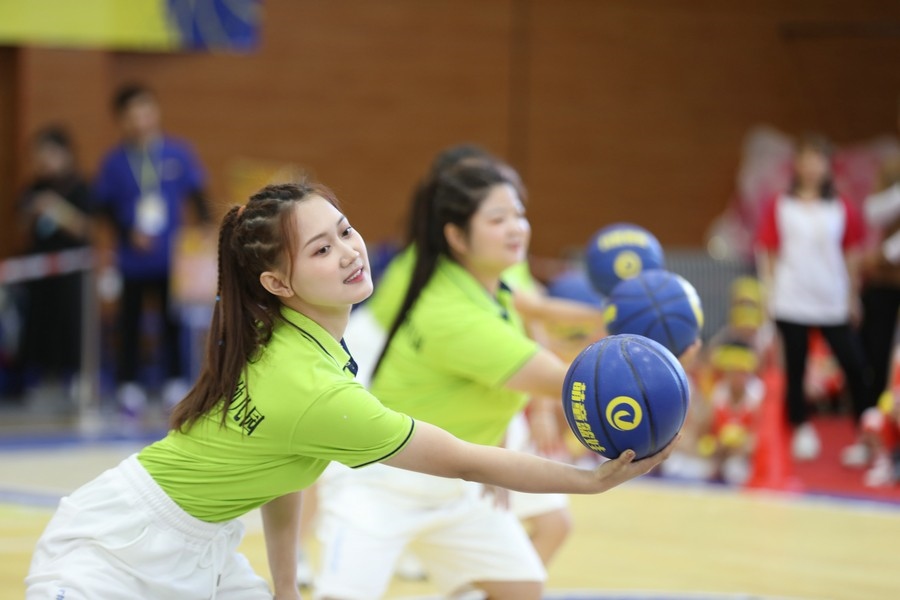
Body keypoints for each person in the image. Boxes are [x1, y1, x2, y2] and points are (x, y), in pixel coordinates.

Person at [25, 182, 676, 600]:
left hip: (200, 548)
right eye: (320, 250)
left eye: (344, 229)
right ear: (278, 284)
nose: (348, 251)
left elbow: (281, 469)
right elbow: (462, 458)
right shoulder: (311, 387)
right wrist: (588, 481)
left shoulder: (292, 339)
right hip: (113, 551)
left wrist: (285, 589)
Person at [313, 163, 651, 600]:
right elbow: (579, 384)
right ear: (457, 237)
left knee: (522, 589)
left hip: (455, 486)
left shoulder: (492, 288)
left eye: (519, 214)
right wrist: (662, 352)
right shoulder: (453, 313)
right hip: (379, 485)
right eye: (498, 219)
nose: (516, 228)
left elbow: (535, 337)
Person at [93, 83, 212, 417]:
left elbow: (197, 195)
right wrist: (128, 231)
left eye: (145, 111)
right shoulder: (114, 162)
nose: (140, 120)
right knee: (128, 321)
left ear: (156, 111)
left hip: (171, 257)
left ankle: (175, 380)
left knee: (172, 321)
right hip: (132, 260)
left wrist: (204, 230)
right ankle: (128, 385)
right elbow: (103, 206)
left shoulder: (178, 152)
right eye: (131, 115)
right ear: (121, 120)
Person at [755, 133, 872, 462]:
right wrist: (769, 293)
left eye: (817, 160)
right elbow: (768, 251)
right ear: (797, 164)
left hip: (832, 298)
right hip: (792, 297)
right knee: (795, 367)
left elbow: (851, 252)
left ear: (827, 165)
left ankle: (867, 434)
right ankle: (801, 427)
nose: (811, 167)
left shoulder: (840, 206)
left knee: (855, 366)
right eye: (805, 159)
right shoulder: (781, 204)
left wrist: (852, 295)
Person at [16, 125, 92, 397]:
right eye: (39, 154)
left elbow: (86, 228)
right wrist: (34, 211)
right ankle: (40, 378)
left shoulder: (79, 187)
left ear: (66, 154)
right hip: (38, 271)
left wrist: (56, 210)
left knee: (70, 324)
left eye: (50, 153)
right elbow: (21, 225)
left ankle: (75, 377)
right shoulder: (33, 188)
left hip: (71, 272)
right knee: (38, 324)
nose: (44, 160)